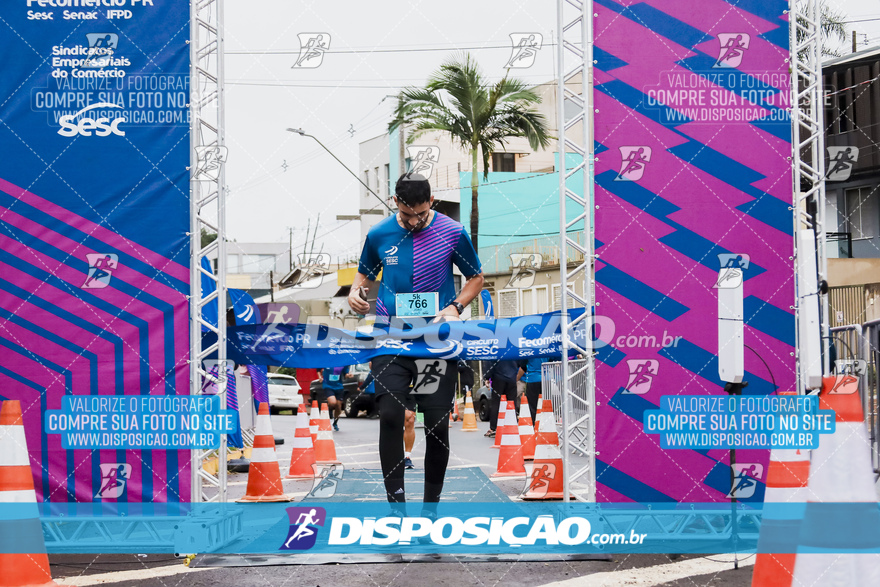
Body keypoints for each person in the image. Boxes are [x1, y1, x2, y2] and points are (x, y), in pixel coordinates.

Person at [347, 172, 483, 513]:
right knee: (392, 415)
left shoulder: (452, 232)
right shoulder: (379, 234)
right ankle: (396, 508)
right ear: (396, 204)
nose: (415, 221)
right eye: (408, 216)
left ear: (431, 203)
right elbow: (363, 276)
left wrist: (455, 307)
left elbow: (476, 278)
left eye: (421, 214)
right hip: (390, 340)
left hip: (436, 342)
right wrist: (355, 293)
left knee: (436, 424)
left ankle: (430, 509)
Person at [483, 359, 520, 437]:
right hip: (512, 378)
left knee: (496, 402)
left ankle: (493, 428)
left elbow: (489, 362)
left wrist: (487, 377)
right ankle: (513, 424)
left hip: (498, 377)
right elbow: (521, 361)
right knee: (512, 402)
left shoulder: (495, 348)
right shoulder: (513, 348)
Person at [319, 365, 353, 431]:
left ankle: (335, 422)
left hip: (339, 387)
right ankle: (330, 408)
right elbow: (318, 369)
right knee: (333, 402)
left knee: (338, 406)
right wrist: (320, 377)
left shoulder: (342, 363)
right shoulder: (327, 361)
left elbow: (345, 374)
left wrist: (348, 375)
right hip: (328, 386)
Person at [518, 357, 549, 422]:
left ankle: (534, 422)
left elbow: (523, 366)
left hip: (532, 379)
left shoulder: (530, 351)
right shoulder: (547, 350)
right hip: (546, 378)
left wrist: (516, 378)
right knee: (546, 402)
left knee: (532, 404)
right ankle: (545, 421)